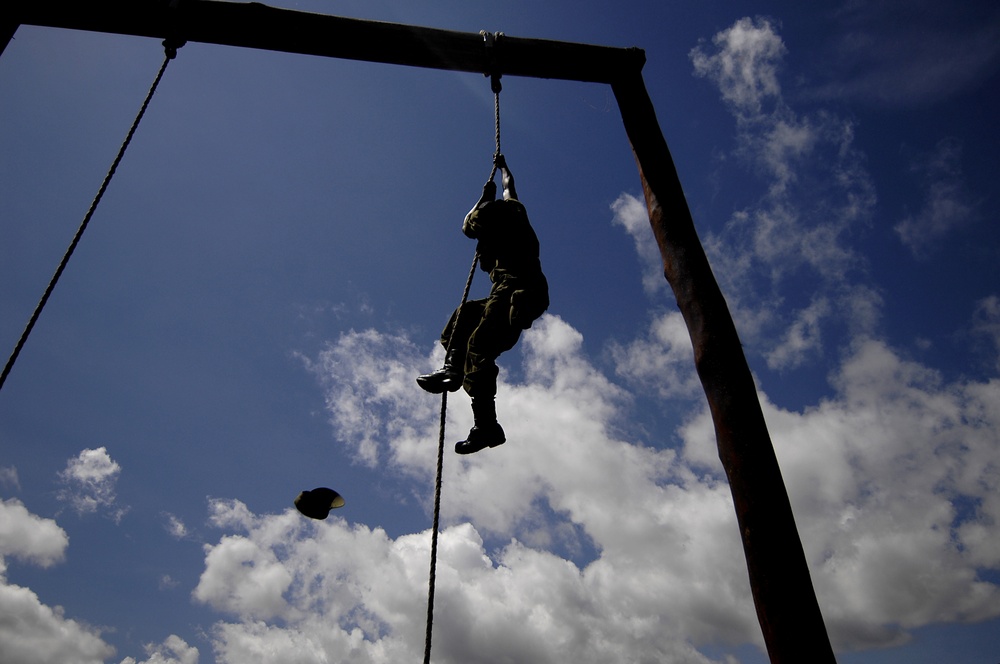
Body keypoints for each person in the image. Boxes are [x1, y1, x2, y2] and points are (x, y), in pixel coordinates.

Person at [417, 155, 549, 454]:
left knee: (479, 347)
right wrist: (501, 172)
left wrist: (487, 193)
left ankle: (487, 427)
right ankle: (452, 369)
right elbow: (508, 189)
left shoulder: (511, 230)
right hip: (503, 292)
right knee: (464, 317)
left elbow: (475, 218)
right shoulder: (509, 215)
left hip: (519, 291)